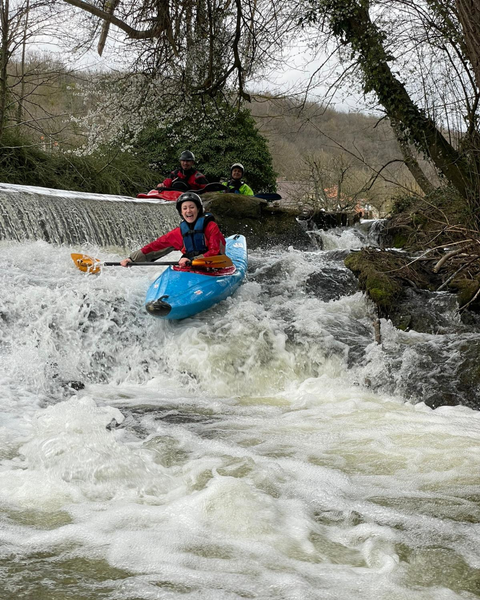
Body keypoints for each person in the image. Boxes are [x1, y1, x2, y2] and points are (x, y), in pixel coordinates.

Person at [120, 192, 226, 268]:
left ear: (198, 209)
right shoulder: (180, 232)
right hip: (190, 264)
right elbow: (156, 246)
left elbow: (214, 251)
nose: (188, 211)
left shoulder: (211, 226)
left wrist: (193, 260)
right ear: (181, 212)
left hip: (213, 264)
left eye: (192, 207)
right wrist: (132, 259)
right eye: (185, 208)